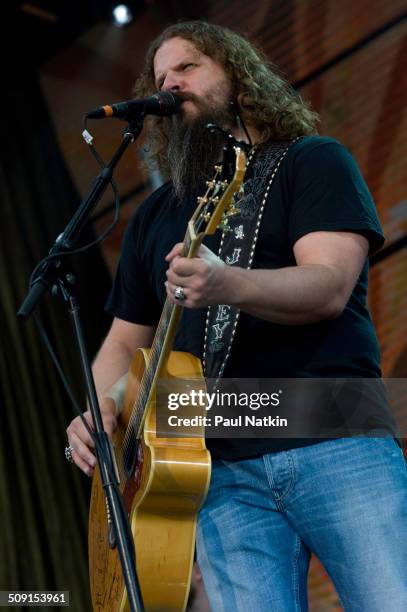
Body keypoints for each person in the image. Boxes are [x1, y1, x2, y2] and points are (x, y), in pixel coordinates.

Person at [66, 21, 407, 611]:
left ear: (239, 74)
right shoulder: (155, 217)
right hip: (213, 468)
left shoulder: (313, 161)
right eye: (159, 76)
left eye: (188, 66)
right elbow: (124, 344)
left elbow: (327, 285)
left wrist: (227, 283)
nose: (169, 83)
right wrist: (101, 413)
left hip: (333, 431)